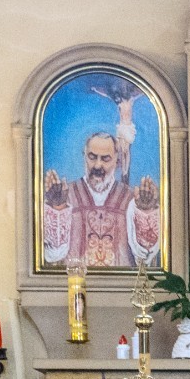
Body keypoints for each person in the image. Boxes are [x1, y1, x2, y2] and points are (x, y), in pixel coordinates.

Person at [41, 112, 161, 269]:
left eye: (105, 159)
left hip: (121, 284)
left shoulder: (132, 199)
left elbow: (145, 255)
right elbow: (53, 255)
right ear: (84, 156)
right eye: (92, 157)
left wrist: (145, 211)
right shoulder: (65, 195)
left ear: (117, 161)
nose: (98, 165)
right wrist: (58, 207)